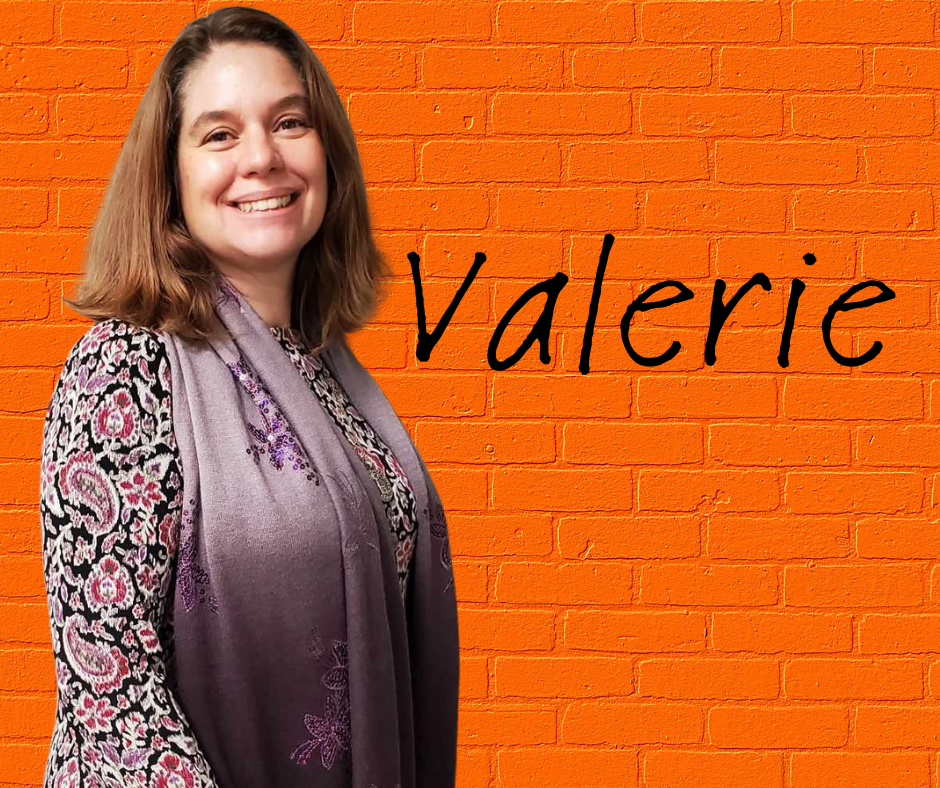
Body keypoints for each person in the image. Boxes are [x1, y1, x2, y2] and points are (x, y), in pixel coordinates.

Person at [38, 7, 459, 787]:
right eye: (219, 134)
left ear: (327, 151)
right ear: (169, 176)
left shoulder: (328, 374)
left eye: (289, 122)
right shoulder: (123, 371)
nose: (262, 158)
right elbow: (112, 697)